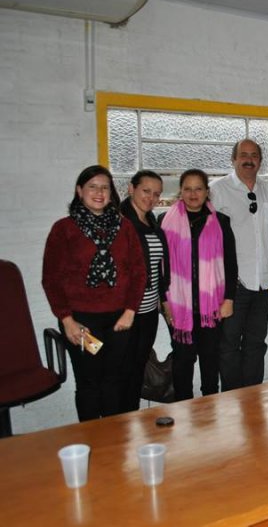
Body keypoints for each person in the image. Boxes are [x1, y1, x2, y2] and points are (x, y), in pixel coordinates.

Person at [42, 165, 145, 421]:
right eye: (92, 187)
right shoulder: (63, 229)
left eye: (104, 187)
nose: (99, 193)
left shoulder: (124, 227)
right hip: (81, 322)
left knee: (113, 381)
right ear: (79, 191)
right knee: (89, 383)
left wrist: (130, 312)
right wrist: (67, 320)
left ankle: (111, 438)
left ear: (112, 193)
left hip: (120, 320)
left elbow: (138, 273)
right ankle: (90, 438)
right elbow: (51, 279)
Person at [159, 169, 237, 401]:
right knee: (182, 361)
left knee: (210, 360)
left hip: (211, 306)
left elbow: (231, 263)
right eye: (188, 189)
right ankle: (183, 408)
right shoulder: (164, 221)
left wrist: (229, 299)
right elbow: (159, 266)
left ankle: (209, 408)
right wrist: (163, 301)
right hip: (178, 305)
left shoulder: (221, 221)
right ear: (181, 191)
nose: (193, 194)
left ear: (206, 192)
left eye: (198, 189)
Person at [211, 139, 268, 391]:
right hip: (233, 285)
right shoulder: (217, 190)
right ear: (234, 159)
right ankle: (231, 398)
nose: (249, 160)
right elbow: (208, 239)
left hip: (263, 282)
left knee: (256, 343)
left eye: (254, 155)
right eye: (244, 155)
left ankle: (253, 397)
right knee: (228, 345)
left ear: (260, 160)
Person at [119, 170, 170, 412]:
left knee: (139, 367)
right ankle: (119, 421)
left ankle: (130, 418)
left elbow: (158, 268)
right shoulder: (119, 222)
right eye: (146, 191)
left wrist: (162, 299)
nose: (151, 198)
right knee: (122, 370)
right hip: (125, 312)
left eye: (156, 194)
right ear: (131, 188)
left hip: (149, 310)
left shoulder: (152, 222)